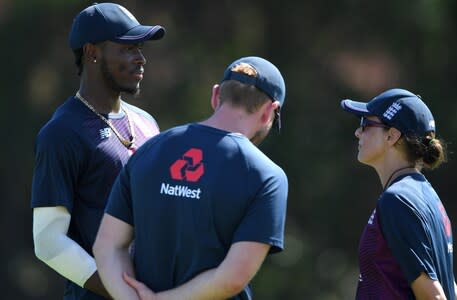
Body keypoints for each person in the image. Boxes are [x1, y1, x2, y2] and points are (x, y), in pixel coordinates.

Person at [92, 56, 288, 300]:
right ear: (271, 110)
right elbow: (233, 277)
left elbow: (108, 246)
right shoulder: (267, 176)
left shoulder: (150, 150)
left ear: (216, 96)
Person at [31, 3, 165, 299]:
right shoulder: (61, 132)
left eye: (140, 48)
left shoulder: (147, 123)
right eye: (128, 48)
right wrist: (120, 290)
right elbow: (48, 240)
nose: (140, 58)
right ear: (92, 52)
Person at [340, 88, 457, 299]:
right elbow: (450, 287)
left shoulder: (397, 200)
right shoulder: (427, 195)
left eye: (366, 124)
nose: (357, 132)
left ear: (392, 135)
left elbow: (435, 296)